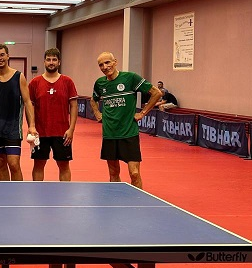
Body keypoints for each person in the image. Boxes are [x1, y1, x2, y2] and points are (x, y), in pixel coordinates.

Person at [89, 52, 161, 189]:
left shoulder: (130, 78)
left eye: (107, 62)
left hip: (129, 133)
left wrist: (142, 113)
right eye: (101, 65)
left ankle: (137, 199)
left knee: (134, 173)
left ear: (115, 62)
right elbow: (93, 100)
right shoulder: (100, 83)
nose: (105, 67)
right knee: (113, 173)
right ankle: (116, 199)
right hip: (109, 134)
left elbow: (156, 93)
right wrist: (97, 113)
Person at [0, 44, 37, 181]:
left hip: (13, 129)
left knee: (13, 164)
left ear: (8, 56)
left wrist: (31, 126)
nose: (0, 58)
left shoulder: (19, 77)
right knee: (0, 163)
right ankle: (4, 192)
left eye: (2, 55)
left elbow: (27, 102)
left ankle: (17, 192)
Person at [28, 48, 78, 182]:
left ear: (59, 62)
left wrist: (71, 129)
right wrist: (31, 126)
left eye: (54, 60)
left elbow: (73, 106)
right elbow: (30, 106)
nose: (51, 62)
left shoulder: (67, 81)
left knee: (64, 166)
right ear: (44, 62)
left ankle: (65, 192)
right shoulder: (35, 82)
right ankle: (37, 191)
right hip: (40, 133)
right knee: (38, 165)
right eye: (48, 60)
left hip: (62, 133)